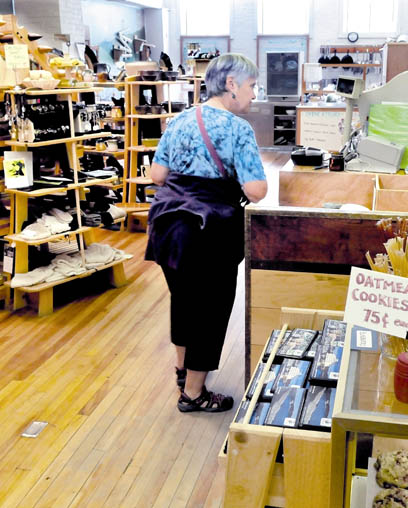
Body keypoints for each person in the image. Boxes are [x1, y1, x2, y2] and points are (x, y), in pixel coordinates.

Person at [145, 54, 267, 413]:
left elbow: (157, 176)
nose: (253, 94)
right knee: (210, 311)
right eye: (251, 86)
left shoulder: (179, 120)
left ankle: (183, 371)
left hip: (168, 226)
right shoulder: (238, 129)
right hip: (209, 230)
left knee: (184, 300)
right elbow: (257, 190)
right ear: (231, 84)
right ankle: (194, 394)